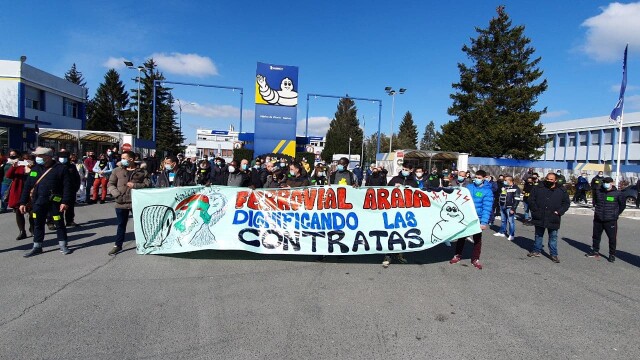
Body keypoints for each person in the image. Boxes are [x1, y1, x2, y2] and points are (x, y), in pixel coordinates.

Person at [19, 147, 74, 257]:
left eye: (39, 156)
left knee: (59, 223)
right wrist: (22, 202)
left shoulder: (60, 169)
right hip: (38, 202)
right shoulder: (35, 169)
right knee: (37, 224)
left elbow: (67, 187)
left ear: (48, 157)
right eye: (36, 156)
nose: (37, 158)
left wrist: (65, 202)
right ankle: (37, 246)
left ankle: (63, 245)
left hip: (55, 202)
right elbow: (27, 186)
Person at [107, 151, 151, 255]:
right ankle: (117, 245)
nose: (122, 160)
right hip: (120, 202)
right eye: (121, 157)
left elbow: (148, 184)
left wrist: (135, 185)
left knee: (140, 224)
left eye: (124, 158)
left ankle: (143, 244)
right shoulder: (117, 170)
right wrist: (116, 194)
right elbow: (111, 184)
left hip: (136, 202)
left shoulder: (142, 171)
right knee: (121, 224)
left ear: (131, 159)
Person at [450, 170, 493, 270]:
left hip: (478, 219)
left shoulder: (487, 191)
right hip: (467, 218)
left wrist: (483, 222)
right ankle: (457, 255)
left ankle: (475, 259)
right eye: (476, 177)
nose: (477, 179)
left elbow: (487, 208)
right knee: (461, 237)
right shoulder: (469, 187)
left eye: (479, 178)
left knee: (477, 239)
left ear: (484, 178)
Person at [527, 173, 571, 263]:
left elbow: (566, 203)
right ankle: (536, 251)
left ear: (555, 180)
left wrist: (559, 211)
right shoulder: (538, 187)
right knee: (538, 235)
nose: (549, 181)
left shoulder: (561, 190)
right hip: (540, 215)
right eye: (547, 179)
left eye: (551, 179)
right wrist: (535, 210)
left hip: (553, 217)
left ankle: (554, 254)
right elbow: (531, 200)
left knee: (553, 237)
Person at [381, 164, 419, 267]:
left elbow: (417, 195)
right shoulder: (395, 179)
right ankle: (388, 255)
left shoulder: (413, 182)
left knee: (403, 233)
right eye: (402, 169)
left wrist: (409, 189)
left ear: (411, 170)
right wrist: (393, 188)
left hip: (405, 211)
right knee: (390, 233)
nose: (403, 171)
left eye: (406, 169)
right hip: (393, 209)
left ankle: (400, 254)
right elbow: (385, 192)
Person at [585, 177, 626, 262]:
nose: (605, 184)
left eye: (607, 182)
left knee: (612, 238)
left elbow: (622, 205)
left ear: (612, 183)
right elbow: (595, 202)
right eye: (604, 182)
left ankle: (612, 254)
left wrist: (615, 214)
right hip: (598, 218)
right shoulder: (598, 191)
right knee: (596, 236)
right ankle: (595, 251)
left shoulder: (618, 193)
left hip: (610, 220)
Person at [5, 152, 34, 240]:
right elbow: (8, 175)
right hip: (18, 191)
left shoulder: (34, 167)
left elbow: (35, 177)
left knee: (32, 212)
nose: (26, 160)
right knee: (18, 211)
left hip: (31, 192)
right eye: (24, 159)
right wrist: (14, 167)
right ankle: (22, 231)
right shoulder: (17, 167)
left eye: (28, 158)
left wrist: (31, 169)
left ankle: (32, 229)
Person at [58, 150, 81, 227]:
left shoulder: (72, 166)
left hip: (70, 190)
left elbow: (77, 178)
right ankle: (54, 222)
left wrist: (75, 188)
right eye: (61, 157)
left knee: (70, 206)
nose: (63, 159)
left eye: (64, 157)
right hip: (58, 191)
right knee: (56, 207)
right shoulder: (55, 166)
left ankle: (70, 221)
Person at [494, 176, 521, 241]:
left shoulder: (515, 188)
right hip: (502, 205)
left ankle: (511, 234)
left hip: (509, 207)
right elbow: (502, 195)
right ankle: (502, 232)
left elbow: (517, 200)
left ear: (510, 180)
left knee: (511, 221)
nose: (504, 181)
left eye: (506, 180)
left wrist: (513, 208)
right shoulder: (504, 187)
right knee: (503, 220)